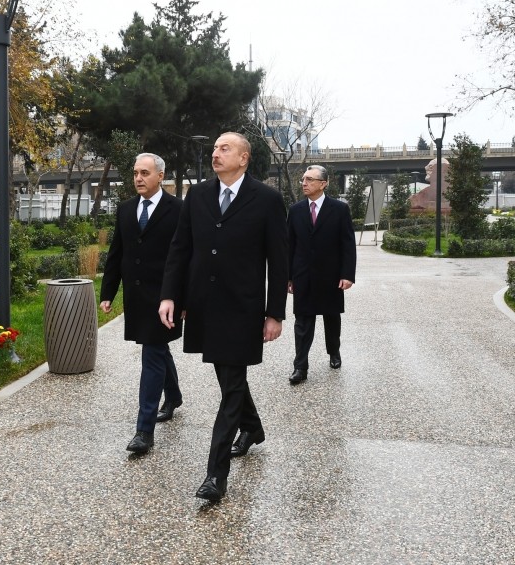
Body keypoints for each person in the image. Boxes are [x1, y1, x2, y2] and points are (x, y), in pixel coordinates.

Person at [159, 132, 288, 501]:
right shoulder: (198, 195)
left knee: (231, 385)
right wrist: (170, 295)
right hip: (204, 304)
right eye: (215, 148)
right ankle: (253, 427)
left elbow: (279, 261)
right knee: (228, 376)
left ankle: (216, 475)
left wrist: (274, 313)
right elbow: (180, 249)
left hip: (243, 308)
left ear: (244, 158)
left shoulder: (266, 199)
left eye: (224, 148)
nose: (216, 153)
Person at [100, 153, 183, 454]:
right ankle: (174, 396)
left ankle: (143, 431)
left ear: (160, 176)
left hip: (165, 297)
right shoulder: (126, 209)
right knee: (157, 349)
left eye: (145, 173)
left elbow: (185, 256)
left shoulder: (178, 209)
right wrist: (108, 292)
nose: (138, 178)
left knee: (152, 354)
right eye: (135, 173)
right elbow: (117, 252)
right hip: (136, 297)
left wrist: (183, 298)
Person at [286, 165, 356, 385]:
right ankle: (300, 366)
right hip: (303, 275)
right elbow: (289, 245)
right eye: (303, 179)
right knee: (302, 322)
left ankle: (334, 351)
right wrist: (288, 276)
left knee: (331, 318)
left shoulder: (339, 209)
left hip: (331, 275)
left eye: (310, 179)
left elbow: (347, 244)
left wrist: (347, 274)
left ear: (323, 184)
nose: (304, 183)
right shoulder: (295, 210)